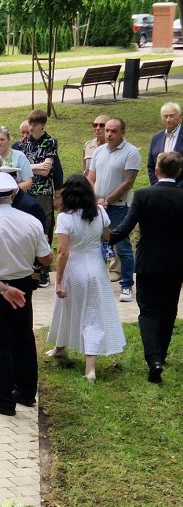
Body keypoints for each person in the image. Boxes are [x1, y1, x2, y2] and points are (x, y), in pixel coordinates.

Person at [0, 172, 52, 416]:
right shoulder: (31, 222)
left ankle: (4, 399)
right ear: (13, 194)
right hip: (23, 284)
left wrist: (3, 289)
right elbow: (46, 258)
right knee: (23, 337)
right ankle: (26, 391)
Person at [109, 151, 183, 384]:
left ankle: (154, 360)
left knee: (148, 311)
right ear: (179, 172)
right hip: (176, 264)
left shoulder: (143, 195)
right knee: (169, 309)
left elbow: (125, 227)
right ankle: (161, 352)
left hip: (149, 262)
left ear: (157, 170)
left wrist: (102, 239)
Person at [46, 175, 126, 382]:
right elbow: (106, 237)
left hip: (75, 269)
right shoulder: (99, 212)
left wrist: (59, 281)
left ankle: (69, 354)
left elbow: (63, 253)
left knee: (67, 308)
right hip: (98, 270)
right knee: (91, 313)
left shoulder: (65, 218)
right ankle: (78, 359)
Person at [88, 117, 141, 303]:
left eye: (114, 131)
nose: (109, 134)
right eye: (107, 130)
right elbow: (90, 177)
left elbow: (128, 182)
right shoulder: (99, 151)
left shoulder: (131, 152)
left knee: (123, 246)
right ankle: (100, 284)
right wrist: (94, 199)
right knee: (97, 245)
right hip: (98, 206)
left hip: (118, 206)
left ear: (122, 132)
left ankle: (126, 285)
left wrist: (107, 200)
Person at [21, 109, 59, 287]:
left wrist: (31, 167)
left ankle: (44, 270)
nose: (31, 127)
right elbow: (22, 168)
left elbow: (47, 170)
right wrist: (34, 167)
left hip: (43, 192)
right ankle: (30, 266)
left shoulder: (50, 142)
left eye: (34, 124)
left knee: (45, 227)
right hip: (27, 190)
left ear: (41, 124)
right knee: (27, 227)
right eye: (30, 123)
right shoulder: (25, 142)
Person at [147, 102, 183, 185]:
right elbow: (151, 165)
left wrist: (178, 187)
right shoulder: (156, 137)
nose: (168, 119)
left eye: (171, 116)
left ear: (180, 117)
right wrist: (156, 185)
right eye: (165, 116)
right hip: (159, 190)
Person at [0, 126, 33, 191]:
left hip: (16, 197)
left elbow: (28, 182)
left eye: (2, 139)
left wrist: (11, 191)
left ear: (9, 140)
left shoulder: (19, 156)